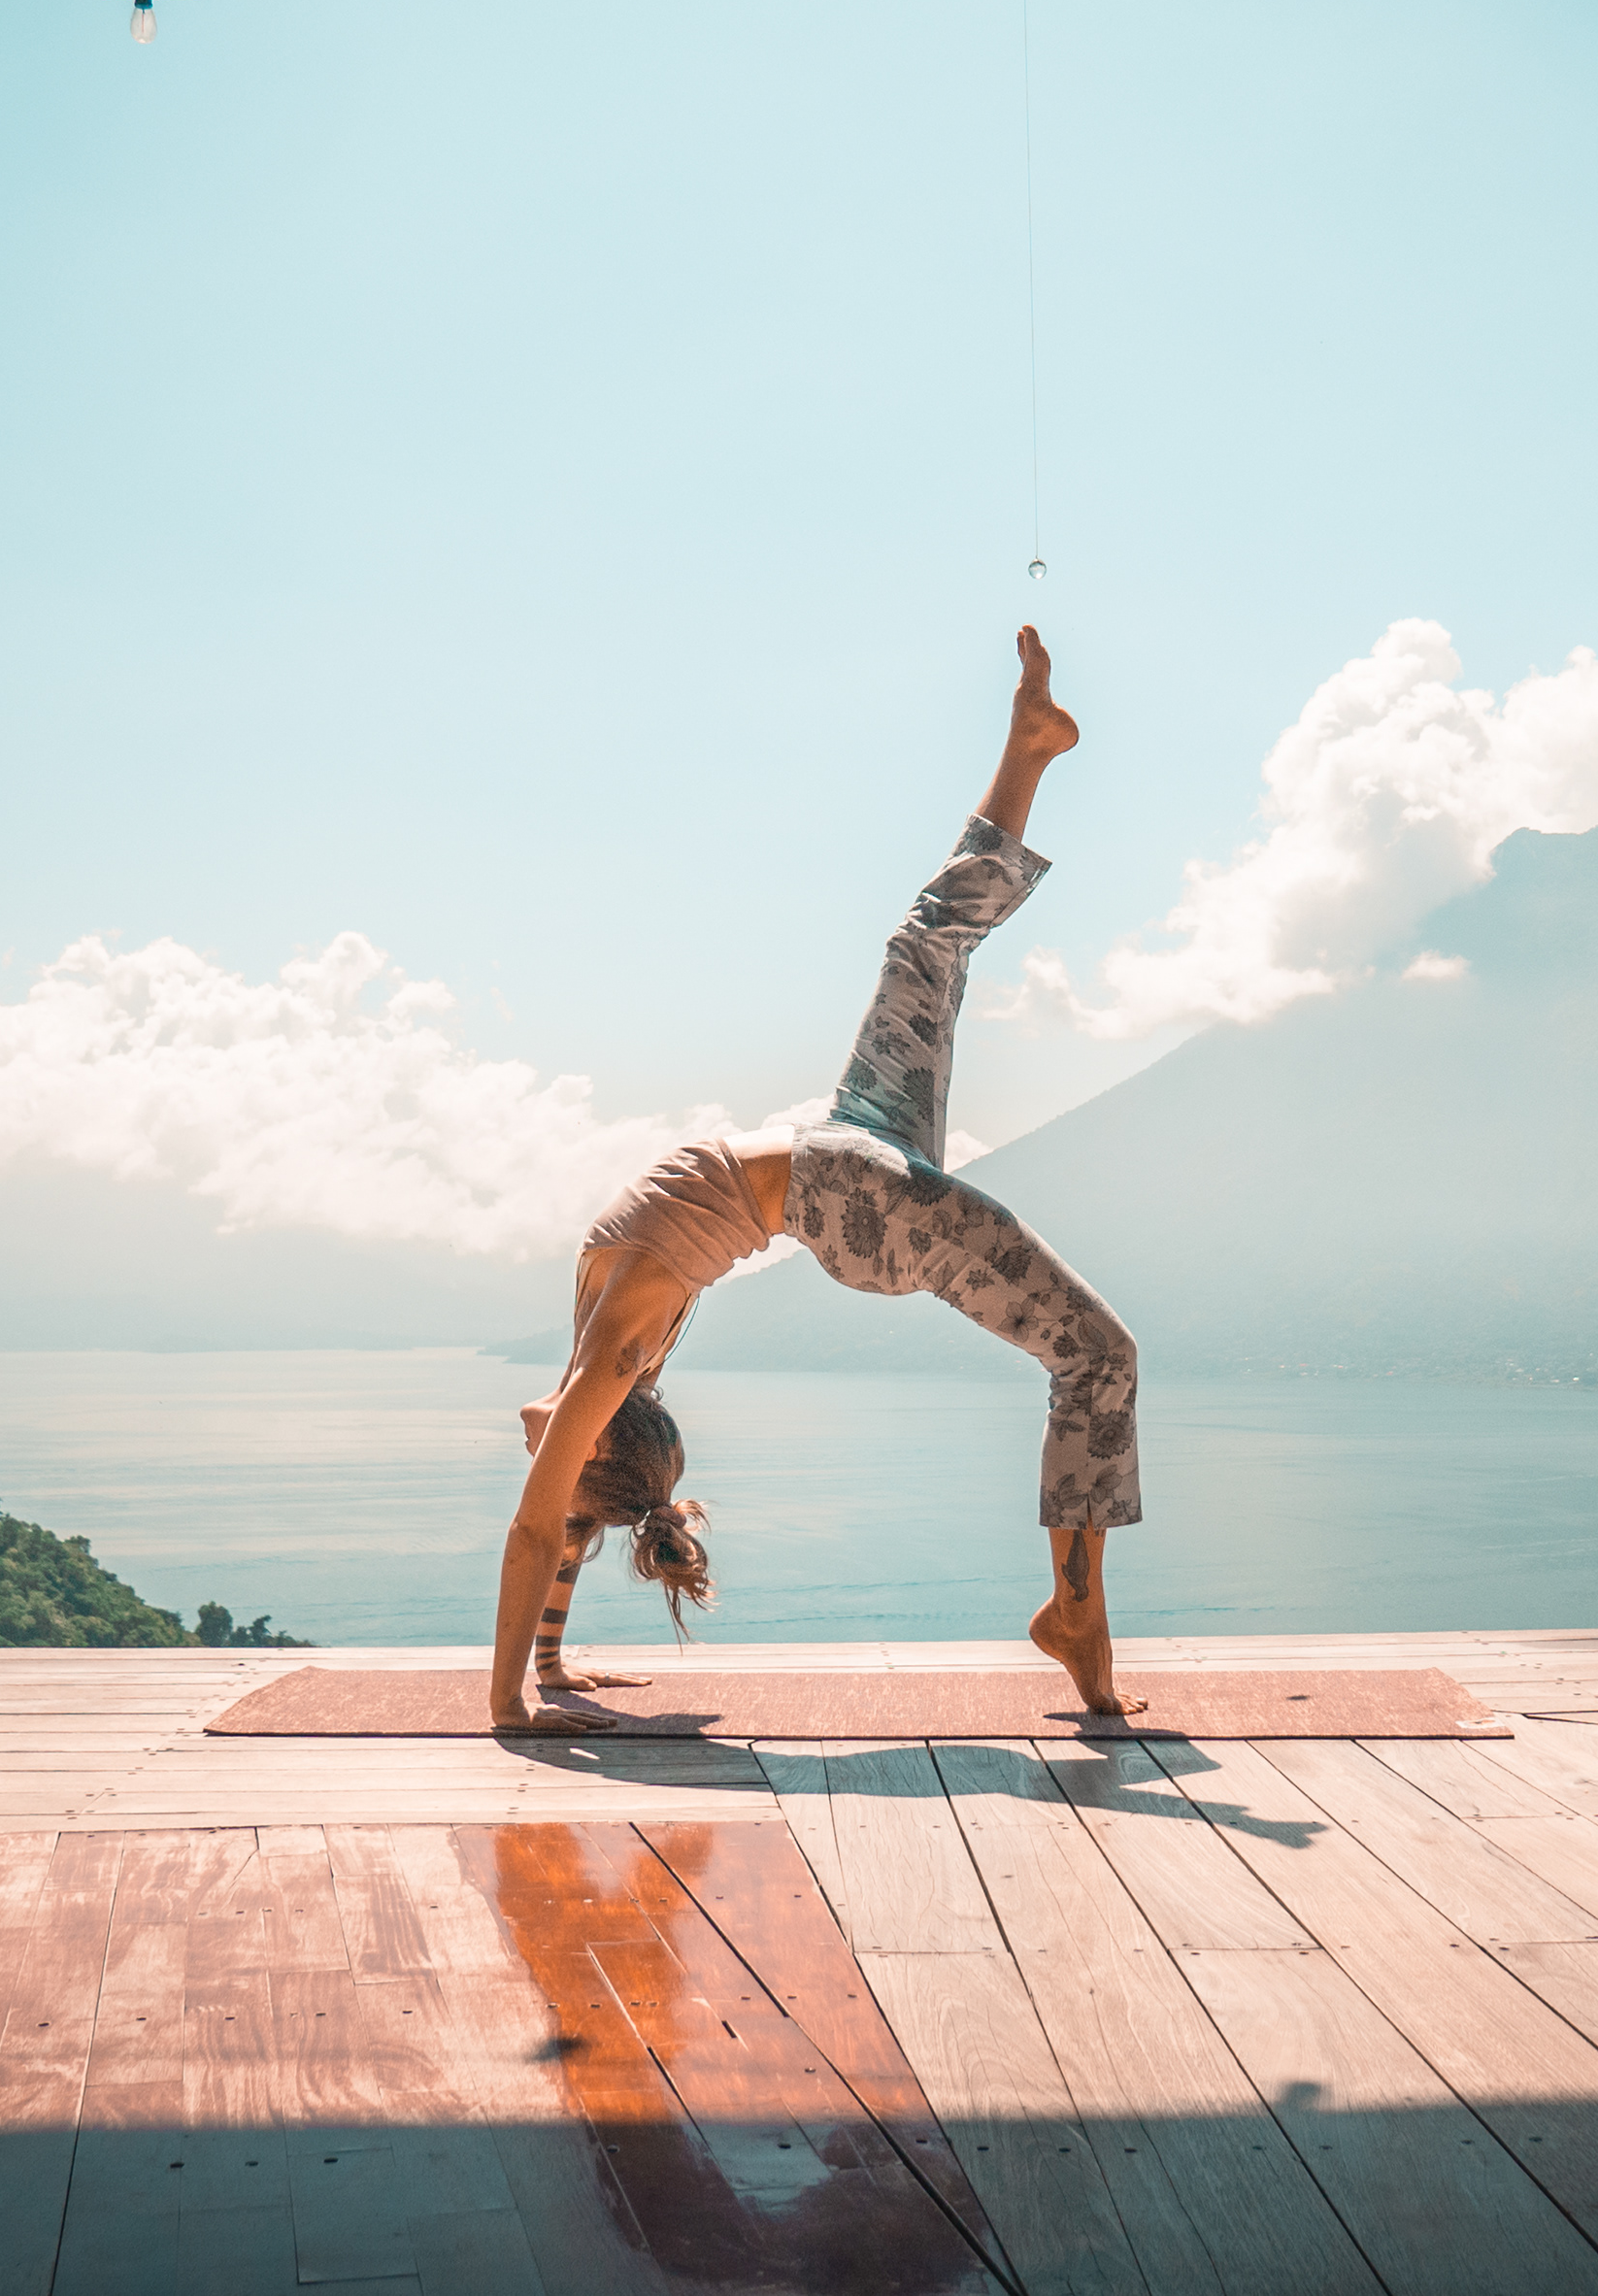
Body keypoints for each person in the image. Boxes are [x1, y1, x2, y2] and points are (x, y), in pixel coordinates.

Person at [489, 626, 1143, 1732]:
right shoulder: (612, 1356)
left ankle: (1029, 744)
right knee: (1099, 1354)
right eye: (558, 1438)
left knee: (923, 949)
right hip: (852, 1197)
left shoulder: (597, 1353)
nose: (531, 1425)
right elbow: (535, 1523)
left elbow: (561, 1522)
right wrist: (504, 1705)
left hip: (846, 1149)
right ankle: (1075, 1611)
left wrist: (548, 1670)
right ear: (599, 1429)